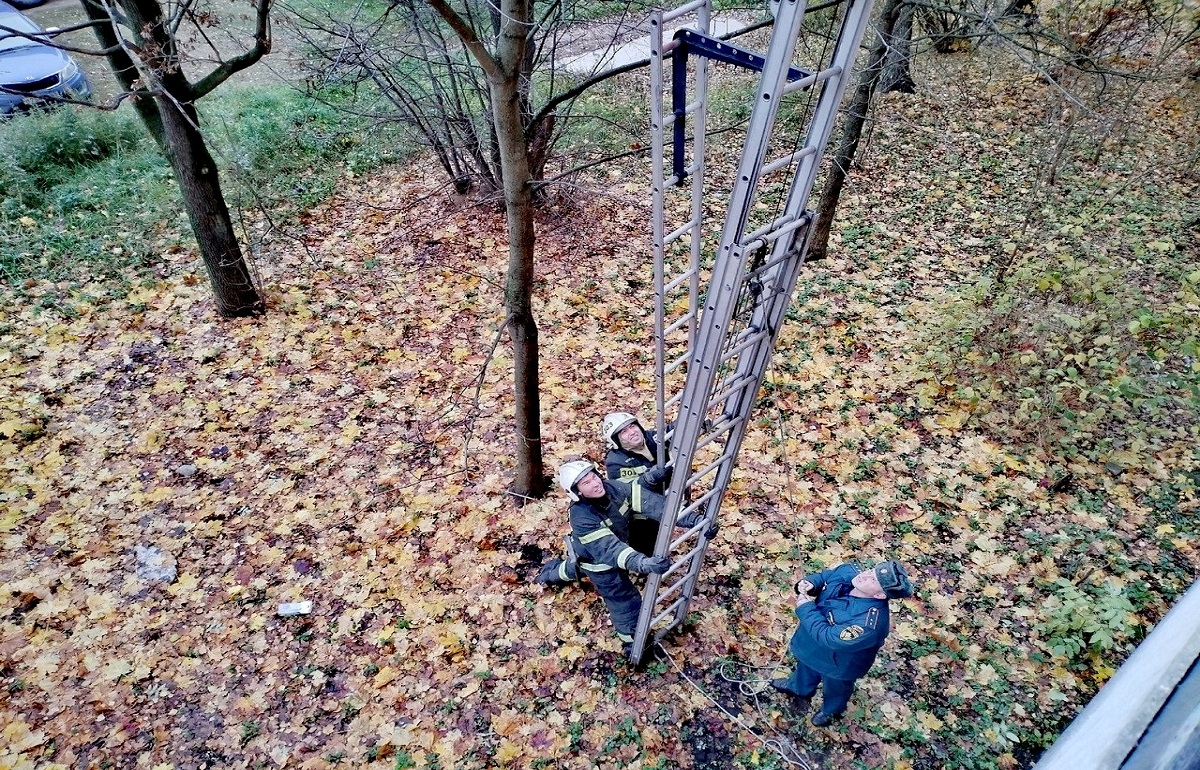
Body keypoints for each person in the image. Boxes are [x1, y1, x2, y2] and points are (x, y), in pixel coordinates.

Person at [535, 460, 710, 646]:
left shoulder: (613, 488)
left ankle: (549, 573)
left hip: (604, 549)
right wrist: (641, 563)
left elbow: (653, 504)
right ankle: (632, 643)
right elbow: (610, 549)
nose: (595, 483)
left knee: (572, 568)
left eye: (594, 477)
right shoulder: (581, 516)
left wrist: (694, 520)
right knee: (624, 600)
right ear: (577, 492)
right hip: (598, 563)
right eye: (586, 483)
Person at [771, 560, 913, 727]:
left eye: (873, 580)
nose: (865, 576)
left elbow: (829, 637)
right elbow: (826, 577)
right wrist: (811, 583)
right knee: (806, 668)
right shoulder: (850, 571)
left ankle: (831, 711)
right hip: (813, 647)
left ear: (880, 595)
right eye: (871, 571)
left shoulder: (868, 624)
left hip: (839, 663)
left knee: (836, 688)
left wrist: (805, 607)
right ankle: (799, 688)